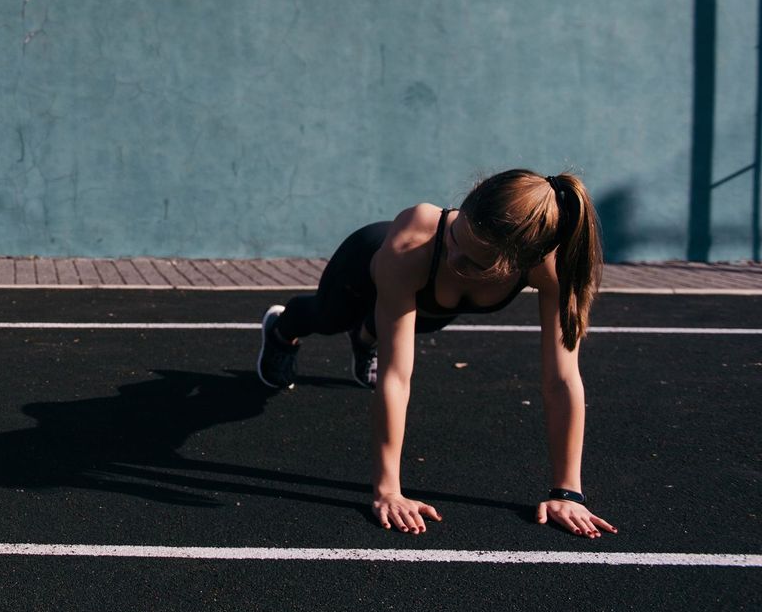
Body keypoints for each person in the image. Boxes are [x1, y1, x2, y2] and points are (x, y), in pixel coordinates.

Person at [256, 169, 616, 539]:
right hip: (362, 267)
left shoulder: (551, 265)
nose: (453, 254)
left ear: (520, 262)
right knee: (328, 317)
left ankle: (364, 340)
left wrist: (567, 493)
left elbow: (561, 379)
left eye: (470, 261)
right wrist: (388, 491)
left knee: (422, 322)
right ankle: (282, 331)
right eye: (455, 238)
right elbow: (396, 378)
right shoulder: (414, 242)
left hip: (431, 304)